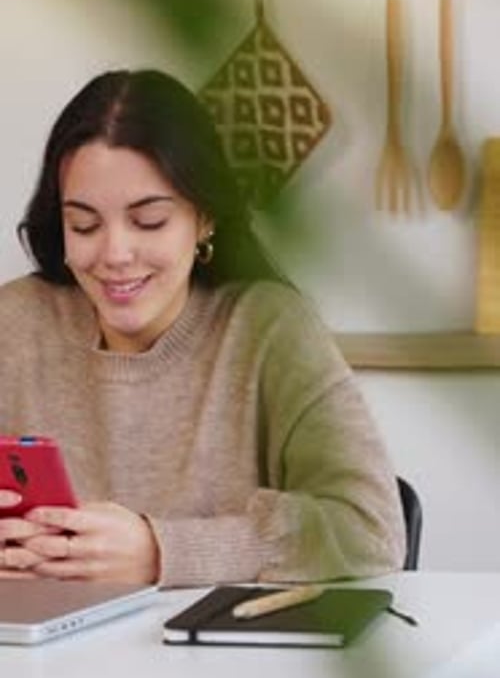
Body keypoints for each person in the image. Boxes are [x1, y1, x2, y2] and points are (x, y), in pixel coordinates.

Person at [0, 69, 405, 586]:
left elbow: (369, 529)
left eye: (149, 221)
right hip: (41, 662)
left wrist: (162, 552)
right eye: (84, 224)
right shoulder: (15, 322)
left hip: (223, 661)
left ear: (205, 217)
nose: (114, 254)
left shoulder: (269, 329)